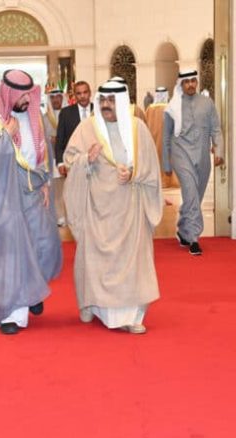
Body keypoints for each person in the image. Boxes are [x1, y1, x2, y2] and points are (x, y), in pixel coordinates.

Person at [0, 69, 62, 335]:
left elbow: (43, 151)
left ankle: (33, 290)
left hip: (33, 189)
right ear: (9, 93)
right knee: (10, 254)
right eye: (23, 95)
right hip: (3, 195)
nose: (28, 100)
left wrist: (45, 181)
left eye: (31, 94)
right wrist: (5, 137)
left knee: (44, 243)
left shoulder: (34, 114)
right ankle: (10, 312)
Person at [64, 81, 163, 334]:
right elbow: (69, 160)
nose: (106, 105)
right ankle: (94, 305)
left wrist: (133, 174)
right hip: (97, 210)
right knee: (96, 261)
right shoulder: (87, 128)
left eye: (111, 100)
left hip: (130, 210)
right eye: (103, 100)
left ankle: (129, 316)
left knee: (131, 264)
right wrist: (87, 159)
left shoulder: (138, 129)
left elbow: (151, 167)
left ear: (121, 102)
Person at [162, 69, 224, 256]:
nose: (190, 84)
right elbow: (166, 137)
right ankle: (194, 238)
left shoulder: (207, 103)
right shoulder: (172, 107)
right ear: (181, 84)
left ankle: (183, 230)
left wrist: (219, 150)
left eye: (193, 81)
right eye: (186, 81)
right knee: (190, 191)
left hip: (202, 155)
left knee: (195, 196)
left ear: (196, 82)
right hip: (180, 154)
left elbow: (216, 128)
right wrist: (166, 163)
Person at [55, 81, 92, 176]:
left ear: (90, 93)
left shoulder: (98, 110)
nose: (82, 96)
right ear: (75, 95)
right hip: (74, 161)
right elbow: (60, 140)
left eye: (85, 92)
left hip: (97, 161)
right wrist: (60, 162)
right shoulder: (65, 113)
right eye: (79, 93)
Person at [43, 88, 67, 227]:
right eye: (52, 97)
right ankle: (58, 216)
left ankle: (68, 215)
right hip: (51, 158)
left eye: (58, 97)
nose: (56, 100)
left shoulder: (69, 115)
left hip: (67, 158)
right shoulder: (44, 118)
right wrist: (50, 139)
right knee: (56, 189)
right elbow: (40, 137)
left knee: (67, 188)